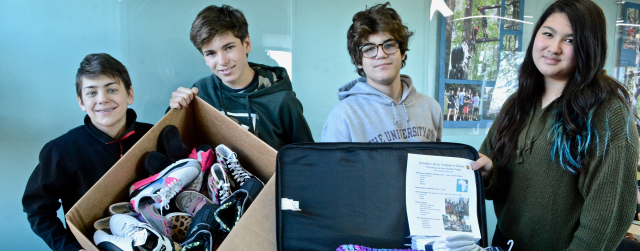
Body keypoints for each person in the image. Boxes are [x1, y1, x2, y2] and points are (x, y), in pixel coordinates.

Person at [467, 0, 639, 250]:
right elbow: (496, 183)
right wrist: (488, 173)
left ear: (589, 48)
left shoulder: (606, 112)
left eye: (570, 40)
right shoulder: (517, 103)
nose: (553, 48)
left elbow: (608, 218)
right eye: (548, 34)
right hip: (503, 243)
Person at [22, 53, 153, 251]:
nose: (103, 99)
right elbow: (38, 210)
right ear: (81, 102)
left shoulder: (154, 135)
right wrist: (71, 248)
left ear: (130, 94)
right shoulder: (60, 150)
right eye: (92, 93)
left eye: (112, 89)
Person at [169, 5, 313, 150]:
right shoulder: (200, 92)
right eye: (211, 53)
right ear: (204, 58)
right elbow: (176, 147)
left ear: (247, 44)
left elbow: (307, 158)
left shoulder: (282, 101)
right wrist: (175, 111)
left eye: (229, 48)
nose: (222, 61)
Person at [321, 2, 442, 143]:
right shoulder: (343, 115)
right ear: (358, 61)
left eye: (389, 45)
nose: (381, 54)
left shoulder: (431, 108)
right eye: (369, 49)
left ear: (402, 52)